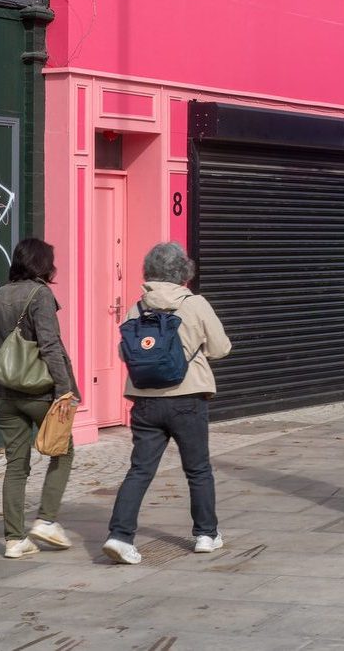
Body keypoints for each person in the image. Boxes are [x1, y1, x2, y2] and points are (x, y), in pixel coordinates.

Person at [103, 242, 232, 565]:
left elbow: (125, 352)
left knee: (140, 470)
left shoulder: (138, 307)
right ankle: (206, 534)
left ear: (150, 271)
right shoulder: (196, 304)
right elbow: (220, 348)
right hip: (188, 399)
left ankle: (120, 536)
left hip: (145, 401)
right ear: (183, 272)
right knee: (198, 469)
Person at [0, 237, 79, 560]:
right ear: (43, 265)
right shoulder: (41, 295)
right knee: (62, 450)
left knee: (16, 465)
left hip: (5, 391)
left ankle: (14, 539)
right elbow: (49, 345)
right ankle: (46, 520)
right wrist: (64, 389)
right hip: (39, 390)